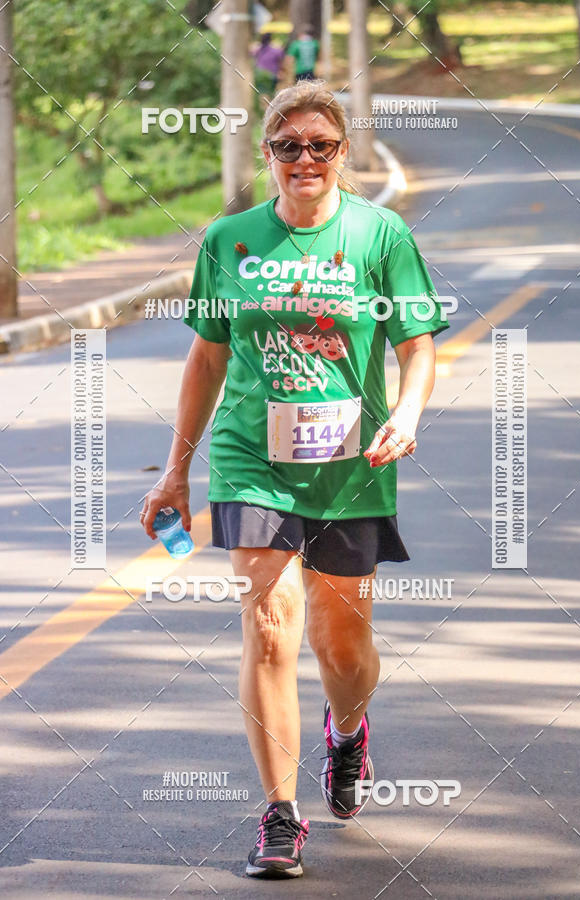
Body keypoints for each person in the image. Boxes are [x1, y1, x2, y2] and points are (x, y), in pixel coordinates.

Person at [140, 79, 449, 879]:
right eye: (288, 146)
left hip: (351, 464)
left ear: (343, 153)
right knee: (270, 623)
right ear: (269, 154)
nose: (304, 159)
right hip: (252, 459)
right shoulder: (229, 238)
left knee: (341, 643)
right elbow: (207, 356)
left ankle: (347, 734)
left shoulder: (380, 236)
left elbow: (417, 343)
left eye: (321, 145)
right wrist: (176, 470)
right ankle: (280, 814)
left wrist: (408, 414)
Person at [252, 32, 285, 96]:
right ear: (271, 39)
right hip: (272, 75)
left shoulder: (257, 49)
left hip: (259, 74)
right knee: (271, 94)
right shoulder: (276, 50)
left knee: (261, 94)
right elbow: (281, 60)